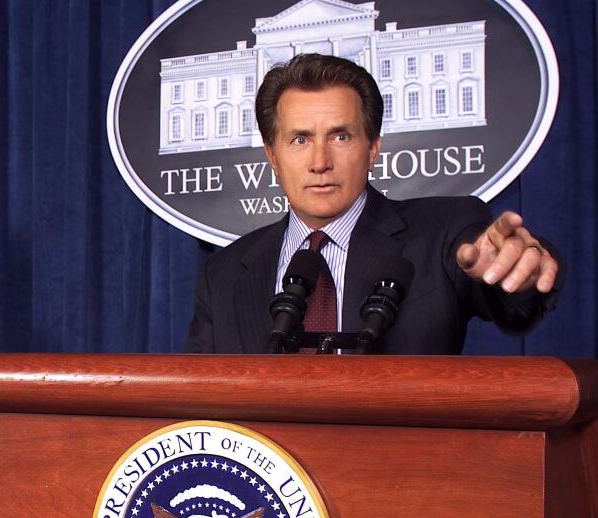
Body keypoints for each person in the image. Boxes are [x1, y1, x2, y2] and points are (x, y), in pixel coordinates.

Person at [185, 53, 562, 355]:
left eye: (341, 136)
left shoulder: (442, 232)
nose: (320, 161)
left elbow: (512, 303)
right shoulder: (224, 274)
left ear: (372, 149)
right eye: (300, 139)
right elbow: (199, 403)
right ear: (272, 155)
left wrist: (517, 275)